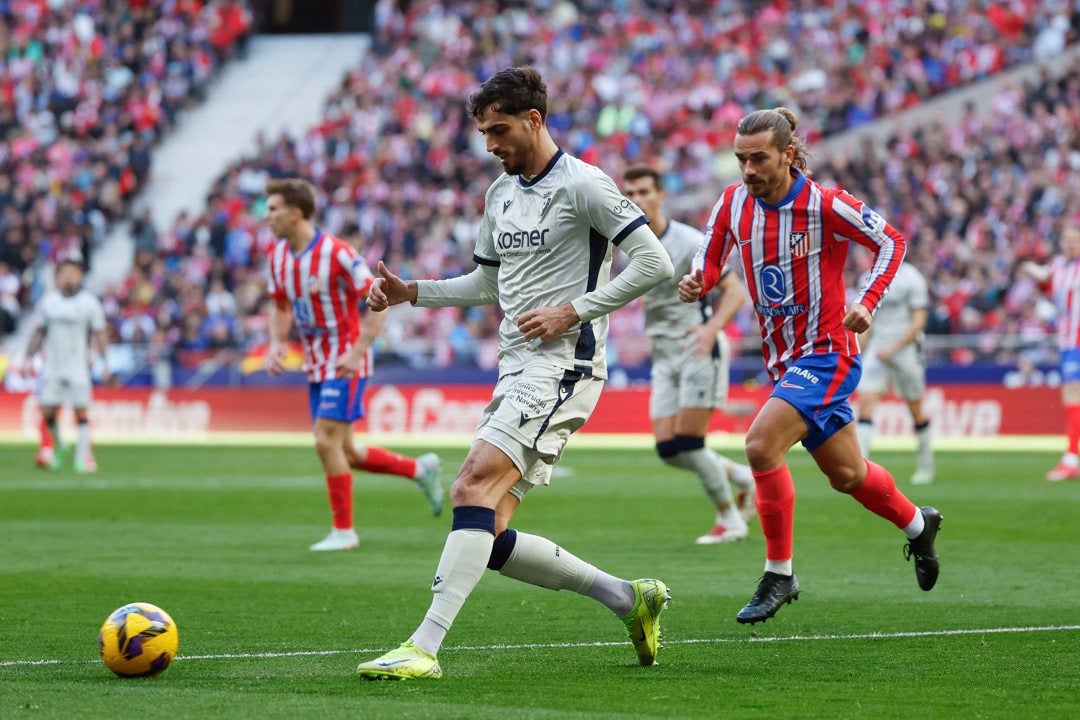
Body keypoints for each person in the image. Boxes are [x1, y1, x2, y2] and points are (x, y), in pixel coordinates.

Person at [355, 66, 675, 680]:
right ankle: (626, 598)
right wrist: (411, 292)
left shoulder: (584, 184)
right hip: (517, 367)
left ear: (534, 120)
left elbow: (653, 262)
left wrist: (573, 310)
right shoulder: (499, 194)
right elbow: (486, 284)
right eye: (483, 132)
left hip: (565, 366)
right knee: (491, 527)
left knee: (470, 486)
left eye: (499, 130)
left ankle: (423, 648)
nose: (490, 144)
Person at [678, 107, 942, 625]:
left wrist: (867, 301)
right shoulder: (732, 203)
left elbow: (892, 241)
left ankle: (779, 573)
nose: (748, 169)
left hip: (828, 353)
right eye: (741, 159)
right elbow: (710, 258)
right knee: (848, 475)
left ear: (788, 155)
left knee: (760, 445)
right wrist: (697, 281)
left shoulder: (825, 203)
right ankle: (918, 524)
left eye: (759, 158)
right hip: (783, 361)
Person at [263, 178, 444, 552]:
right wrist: (278, 343)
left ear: (295, 213)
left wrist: (358, 350)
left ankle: (344, 532)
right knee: (347, 452)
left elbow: (379, 297)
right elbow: (280, 305)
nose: (267, 217)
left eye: (273, 209)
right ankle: (420, 470)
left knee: (324, 440)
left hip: (345, 358)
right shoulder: (278, 257)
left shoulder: (337, 253)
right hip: (316, 362)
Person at [621, 164, 756, 544]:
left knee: (690, 442)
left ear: (661, 195)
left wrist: (712, 329)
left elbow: (735, 292)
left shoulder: (689, 241)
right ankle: (742, 477)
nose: (637, 200)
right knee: (668, 449)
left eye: (644, 192)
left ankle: (730, 520)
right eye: (630, 194)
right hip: (664, 354)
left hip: (698, 348)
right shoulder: (630, 244)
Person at [22, 252, 109, 473]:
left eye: (73, 273)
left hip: (78, 366)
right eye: (64, 273)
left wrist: (105, 362)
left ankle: (83, 457)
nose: (69, 277)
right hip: (53, 366)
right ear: (57, 277)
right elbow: (39, 332)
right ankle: (59, 444)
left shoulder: (89, 303)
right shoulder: (48, 302)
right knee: (47, 412)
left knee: (81, 412)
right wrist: (28, 359)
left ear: (80, 276)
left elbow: (99, 333)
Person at [854, 260, 935, 484]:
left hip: (906, 350)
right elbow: (866, 322)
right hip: (877, 349)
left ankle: (926, 466)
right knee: (866, 403)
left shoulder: (912, 278)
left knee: (915, 408)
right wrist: (858, 354)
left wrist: (893, 348)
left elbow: (919, 322)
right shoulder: (867, 278)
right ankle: (861, 468)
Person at [1021, 224, 1080, 481]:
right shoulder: (1059, 265)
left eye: (1074, 239)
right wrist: (1029, 267)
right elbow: (1045, 275)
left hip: (1078, 340)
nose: (1069, 244)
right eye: (1066, 239)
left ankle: (1071, 459)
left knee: (1073, 394)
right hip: (1066, 342)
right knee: (1071, 396)